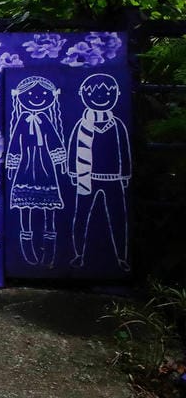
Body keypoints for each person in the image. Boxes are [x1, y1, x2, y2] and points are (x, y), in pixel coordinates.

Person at [68, 73, 131, 271]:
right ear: (84, 95)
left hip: (113, 178)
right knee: (81, 215)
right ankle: (78, 254)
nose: (101, 97)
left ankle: (121, 257)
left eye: (107, 93)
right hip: (87, 177)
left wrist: (126, 174)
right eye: (94, 93)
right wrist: (73, 172)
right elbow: (73, 150)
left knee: (118, 217)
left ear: (116, 95)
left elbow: (124, 151)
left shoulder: (118, 125)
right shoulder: (82, 125)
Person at [5, 76, 66, 267]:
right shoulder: (22, 120)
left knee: (49, 207)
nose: (36, 98)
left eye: (41, 94)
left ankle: (49, 247)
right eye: (30, 94)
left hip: (44, 165)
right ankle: (28, 246)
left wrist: (60, 161)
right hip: (25, 165)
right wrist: (13, 164)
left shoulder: (45, 119)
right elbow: (15, 142)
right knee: (25, 206)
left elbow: (54, 140)